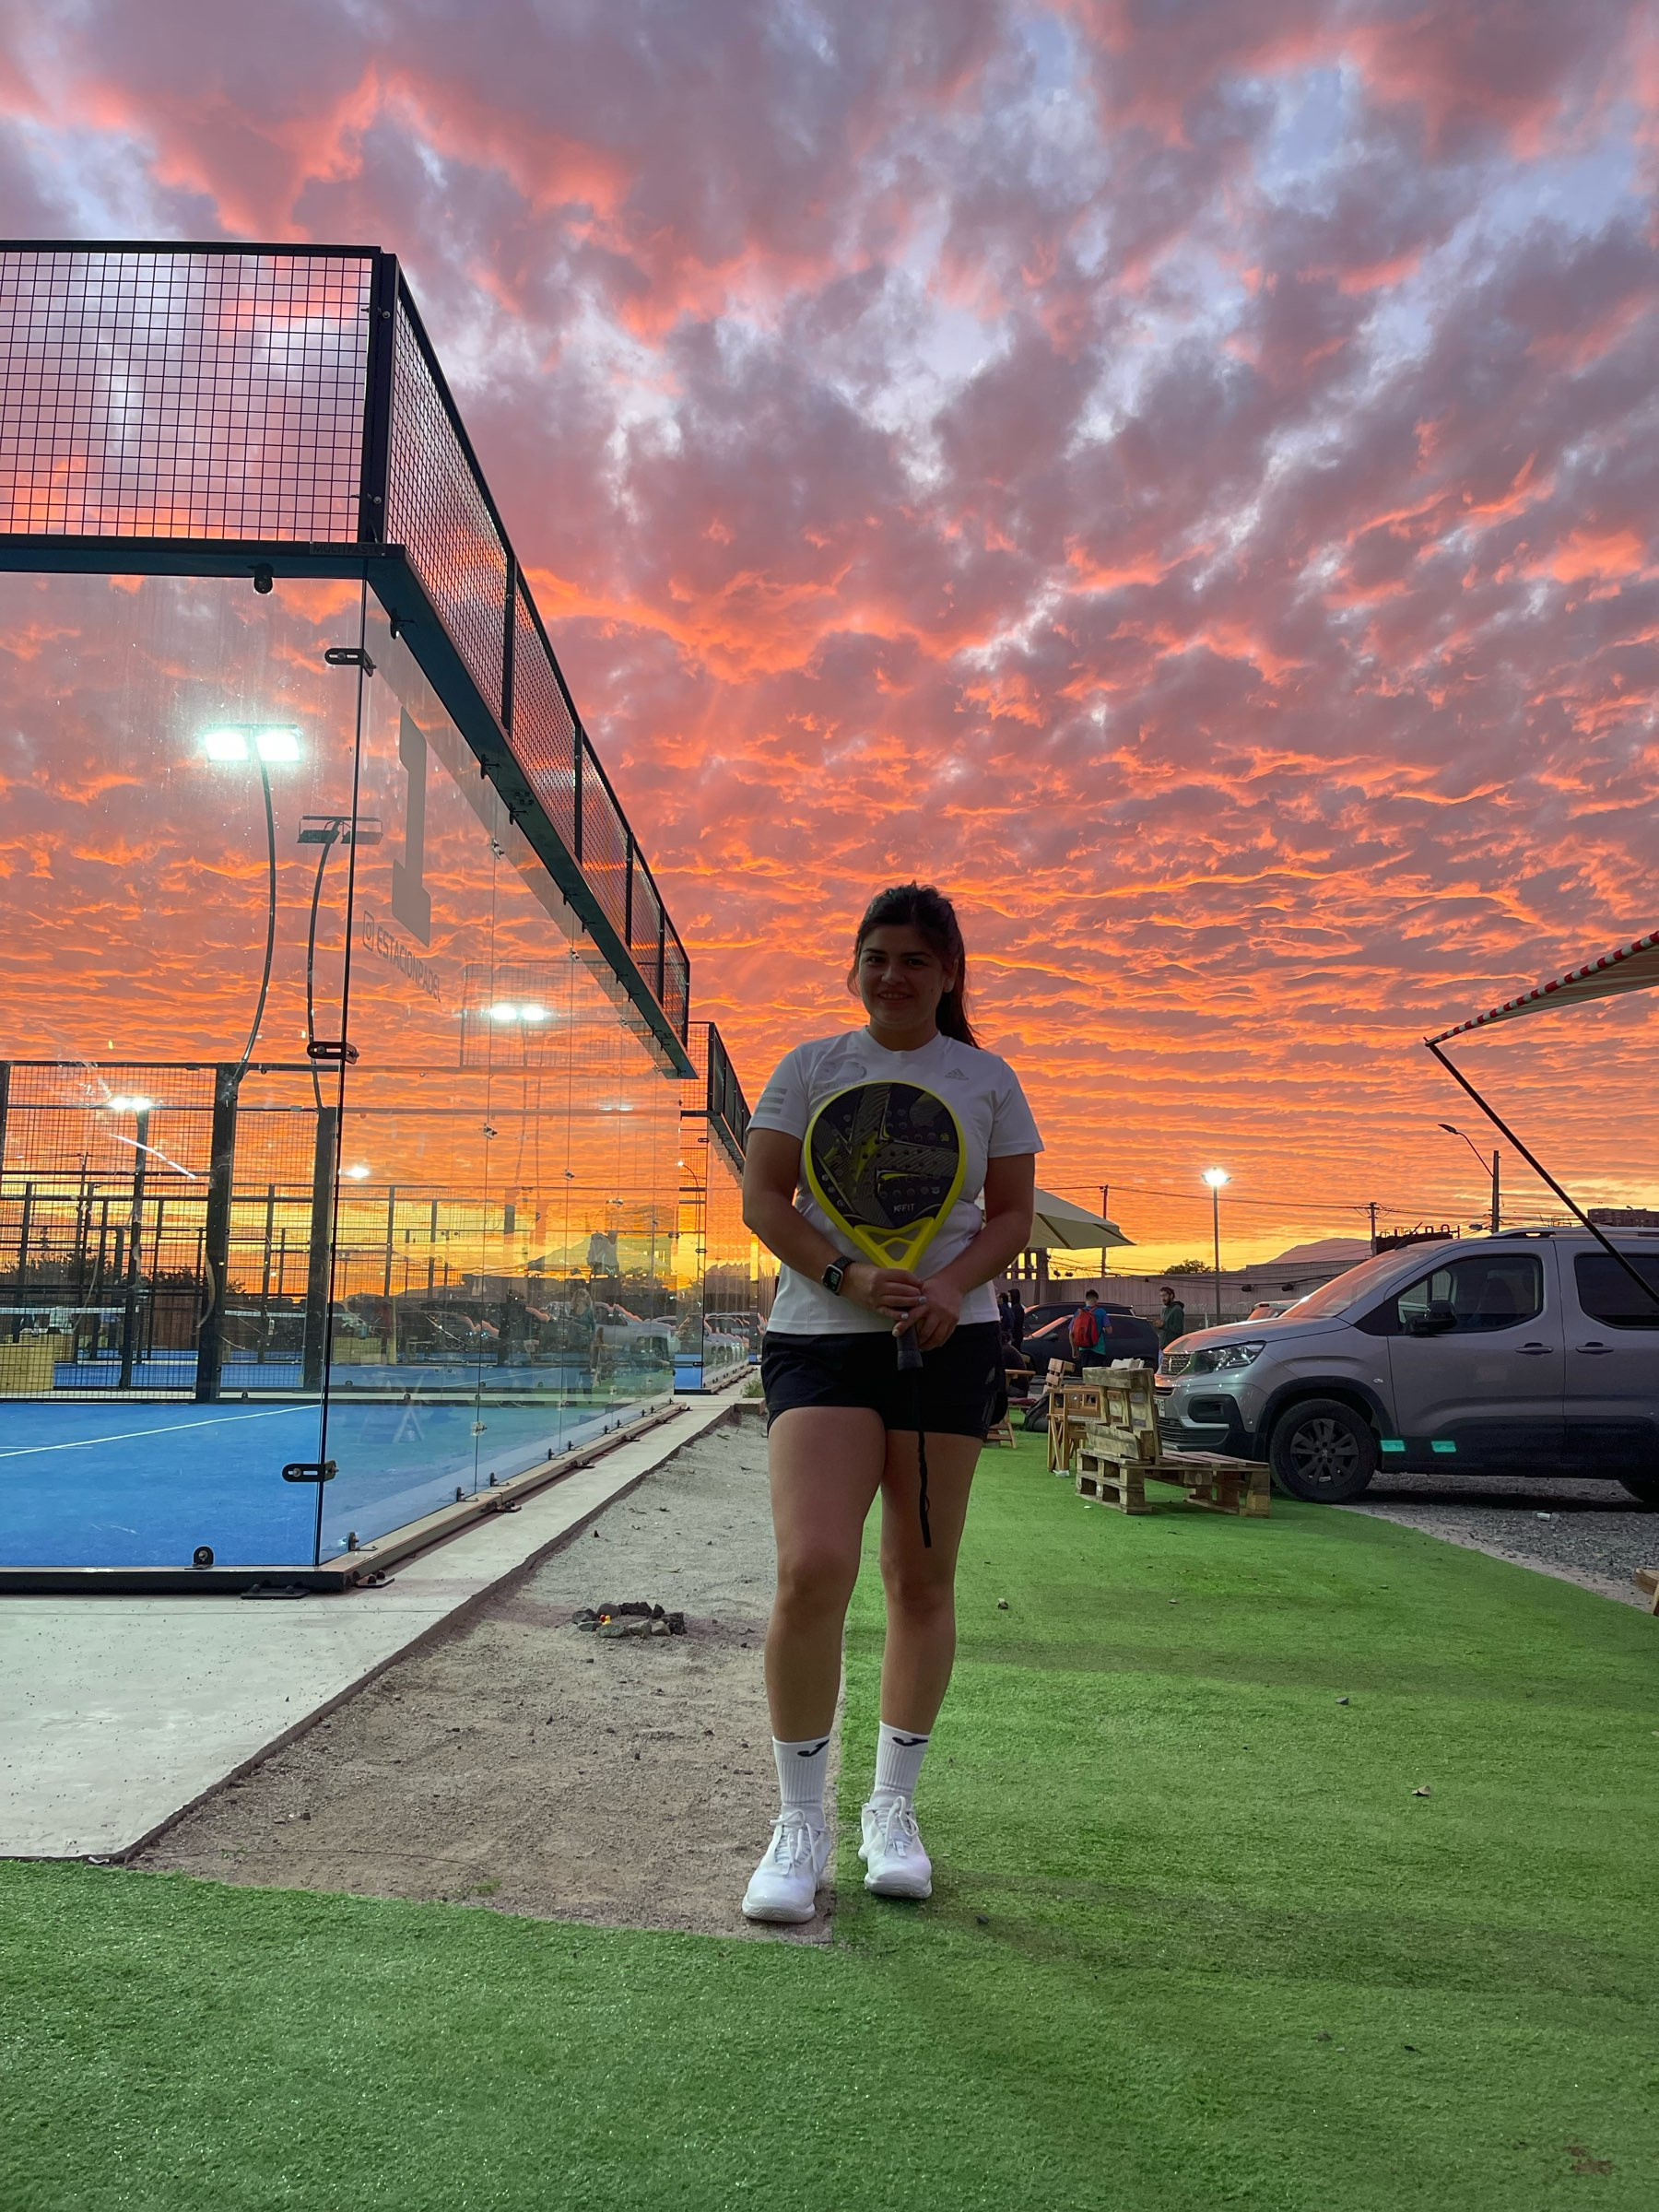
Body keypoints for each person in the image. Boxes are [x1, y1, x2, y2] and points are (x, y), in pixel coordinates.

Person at [738, 882, 1041, 1923]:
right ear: (854, 968)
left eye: (915, 959)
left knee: (919, 1577)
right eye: (876, 956)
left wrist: (950, 1289)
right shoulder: (809, 1067)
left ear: (948, 973)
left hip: (950, 1345)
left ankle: (891, 1811)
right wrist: (848, 1276)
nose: (893, 975)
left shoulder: (986, 1079)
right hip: (820, 1340)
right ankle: (799, 1823)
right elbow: (763, 1199)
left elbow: (1011, 1216)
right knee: (812, 1567)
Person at [1158, 1286, 1187, 1352]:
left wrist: (1163, 1325)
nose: (1163, 1298)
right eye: (1161, 1296)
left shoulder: (1177, 1309)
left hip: (1173, 1347)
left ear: (1171, 1296)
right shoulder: (1164, 1310)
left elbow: (1178, 1329)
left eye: (1165, 1295)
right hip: (1164, 1347)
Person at [997, 1286, 1025, 1350]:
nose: (1009, 1298)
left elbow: (1015, 1323)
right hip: (1017, 1335)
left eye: (1010, 1296)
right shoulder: (1016, 1307)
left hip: (1015, 1336)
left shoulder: (1016, 1308)